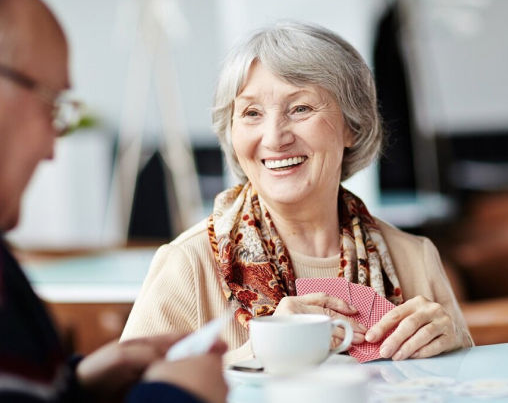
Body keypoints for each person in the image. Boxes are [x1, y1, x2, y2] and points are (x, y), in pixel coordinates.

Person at [121, 21, 473, 364]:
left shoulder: (416, 258)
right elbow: (131, 393)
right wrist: (258, 354)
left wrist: (455, 348)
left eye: (300, 108)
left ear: (352, 125)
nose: (274, 137)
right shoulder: (188, 264)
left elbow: (461, 389)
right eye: (252, 112)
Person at [0, 0, 227, 402]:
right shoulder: (188, 258)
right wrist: (173, 395)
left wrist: (80, 382)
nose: (53, 149)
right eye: (52, 106)